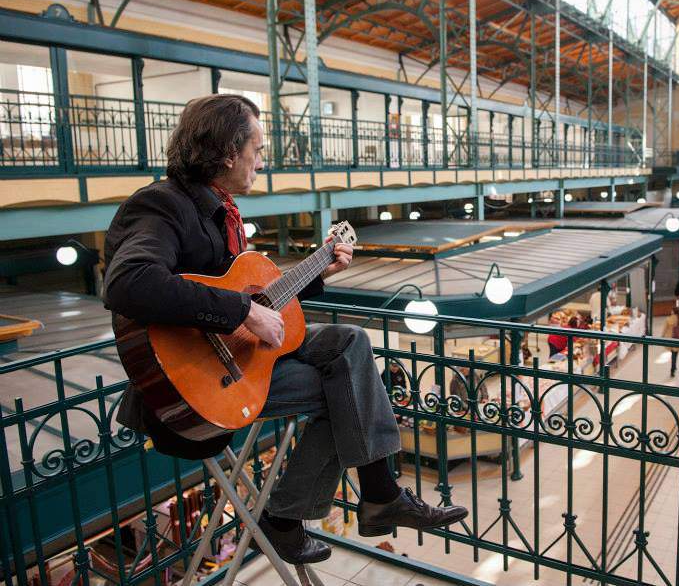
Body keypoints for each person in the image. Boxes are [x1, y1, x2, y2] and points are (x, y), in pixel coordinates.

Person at [102, 95, 467, 565]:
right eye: (257, 148)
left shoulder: (221, 211)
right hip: (192, 388)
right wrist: (242, 313)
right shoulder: (162, 204)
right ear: (228, 153)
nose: (262, 159)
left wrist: (317, 273)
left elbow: (256, 297)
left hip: (237, 359)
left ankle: (374, 494)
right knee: (345, 395)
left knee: (350, 341)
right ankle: (295, 518)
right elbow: (130, 283)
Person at [661, 306, 679, 377]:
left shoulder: (668, 319)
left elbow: (665, 329)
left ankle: (673, 369)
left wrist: (662, 336)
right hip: (678, 339)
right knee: (675, 353)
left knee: (673, 354)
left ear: (673, 311)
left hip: (671, 339)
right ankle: (674, 367)